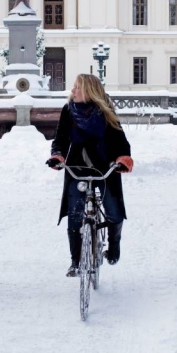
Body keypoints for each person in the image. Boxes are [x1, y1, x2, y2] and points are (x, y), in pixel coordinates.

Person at [46, 74, 133, 277]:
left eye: (77, 87)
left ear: (89, 91)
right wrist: (57, 156)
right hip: (77, 167)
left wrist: (122, 160)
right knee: (75, 213)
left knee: (112, 208)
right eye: (73, 87)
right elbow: (60, 139)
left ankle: (113, 247)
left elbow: (121, 142)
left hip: (105, 167)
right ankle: (76, 261)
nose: (73, 91)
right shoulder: (68, 110)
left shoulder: (105, 112)